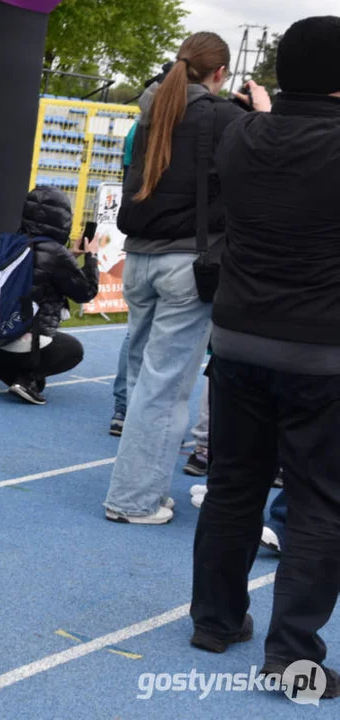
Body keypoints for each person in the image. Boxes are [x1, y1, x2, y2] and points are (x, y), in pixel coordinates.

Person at [189, 16, 340, 698]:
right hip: (320, 351)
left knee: (232, 484)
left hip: (238, 337)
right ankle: (291, 655)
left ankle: (214, 620)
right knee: (317, 503)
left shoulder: (241, 134)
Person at [102, 32, 264, 525]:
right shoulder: (225, 118)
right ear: (220, 74)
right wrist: (261, 112)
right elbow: (270, 160)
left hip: (141, 258)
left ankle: (137, 488)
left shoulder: (151, 110)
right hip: (187, 265)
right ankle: (133, 499)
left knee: (143, 377)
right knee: (165, 390)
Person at [0, 187, 99, 405]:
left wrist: (71, 256)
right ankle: (25, 379)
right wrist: (91, 257)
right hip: (29, 340)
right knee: (73, 350)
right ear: (62, 219)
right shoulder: (56, 253)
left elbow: (42, 268)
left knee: (34, 364)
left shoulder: (10, 243)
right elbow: (86, 292)